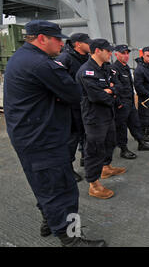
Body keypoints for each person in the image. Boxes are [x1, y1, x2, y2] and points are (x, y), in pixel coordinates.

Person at [3, 20, 105, 246]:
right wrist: (59, 95)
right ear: (42, 38)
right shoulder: (41, 64)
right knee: (63, 190)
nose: (62, 43)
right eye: (57, 38)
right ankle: (71, 239)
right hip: (44, 139)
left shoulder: (21, 57)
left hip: (28, 137)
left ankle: (50, 221)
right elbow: (74, 92)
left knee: (43, 185)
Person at [76, 39, 126, 200]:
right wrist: (110, 92)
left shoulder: (106, 68)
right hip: (94, 117)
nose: (111, 53)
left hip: (107, 114)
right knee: (94, 149)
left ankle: (105, 168)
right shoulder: (86, 71)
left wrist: (109, 90)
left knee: (110, 142)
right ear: (98, 51)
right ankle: (94, 184)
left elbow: (120, 86)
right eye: (108, 51)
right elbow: (96, 96)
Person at [57, 33, 93, 181]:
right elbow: (58, 82)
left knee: (85, 133)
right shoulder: (65, 58)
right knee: (71, 138)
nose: (91, 45)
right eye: (88, 43)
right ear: (77, 44)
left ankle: (85, 158)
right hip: (70, 107)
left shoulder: (85, 58)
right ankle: (67, 169)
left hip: (83, 104)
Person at [112, 45, 149, 159]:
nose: (126, 56)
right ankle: (123, 149)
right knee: (121, 127)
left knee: (135, 123)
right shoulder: (114, 69)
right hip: (121, 104)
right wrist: (119, 103)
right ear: (116, 54)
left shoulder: (126, 67)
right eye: (123, 53)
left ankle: (141, 142)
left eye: (127, 53)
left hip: (130, 102)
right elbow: (115, 89)